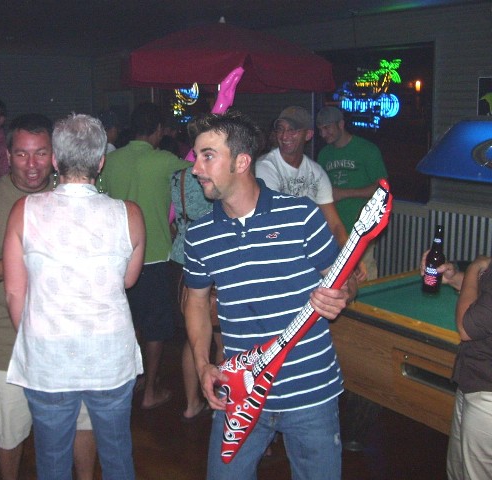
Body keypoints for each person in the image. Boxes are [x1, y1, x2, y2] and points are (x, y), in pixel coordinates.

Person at [183, 110, 356, 479]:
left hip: (309, 389)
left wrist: (341, 293)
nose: (196, 168)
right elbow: (195, 302)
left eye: (208, 156)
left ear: (242, 162)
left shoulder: (301, 215)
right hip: (239, 388)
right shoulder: (199, 236)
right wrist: (202, 365)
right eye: (196, 156)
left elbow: (343, 280)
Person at [0, 114, 96, 480]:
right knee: (8, 430)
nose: (32, 165)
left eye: (41, 153)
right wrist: (14, 259)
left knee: (83, 422)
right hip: (8, 345)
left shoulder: (76, 198)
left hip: (70, 340)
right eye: (22, 154)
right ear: (7, 156)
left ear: (55, 156)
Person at [4, 113, 145, 480]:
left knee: (52, 460)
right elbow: (128, 280)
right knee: (117, 454)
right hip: (109, 353)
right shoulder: (128, 214)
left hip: (48, 355)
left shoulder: (24, 211)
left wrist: (36, 339)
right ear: (101, 162)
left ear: (54, 160)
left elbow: (15, 291)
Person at [100, 102, 191, 410]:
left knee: (129, 323)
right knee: (155, 328)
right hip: (153, 256)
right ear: (158, 131)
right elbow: (196, 172)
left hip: (116, 258)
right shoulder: (164, 161)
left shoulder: (111, 160)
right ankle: (150, 390)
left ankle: (131, 380)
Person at [417, 252, 492, 479]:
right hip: (474, 381)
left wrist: (474, 267)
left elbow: (466, 327)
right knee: (458, 471)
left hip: (486, 394)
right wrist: (456, 278)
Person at [170, 165, 223, 422]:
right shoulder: (217, 177)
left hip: (181, 255)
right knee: (221, 339)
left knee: (193, 339)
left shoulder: (178, 176)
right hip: (212, 257)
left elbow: (172, 217)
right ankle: (220, 402)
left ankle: (191, 404)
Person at [255, 106, 348, 249]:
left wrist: (348, 253)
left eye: (292, 130)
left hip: (305, 249)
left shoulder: (316, 172)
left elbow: (334, 224)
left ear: (308, 135)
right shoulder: (265, 167)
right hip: (275, 248)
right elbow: (276, 221)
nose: (284, 136)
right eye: (280, 129)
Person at [317, 106, 388, 280]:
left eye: (327, 128)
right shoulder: (324, 154)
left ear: (341, 124)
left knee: (363, 276)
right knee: (337, 279)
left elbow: (382, 189)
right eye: (320, 130)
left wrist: (344, 193)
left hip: (361, 228)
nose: (323, 134)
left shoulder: (367, 150)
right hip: (333, 230)